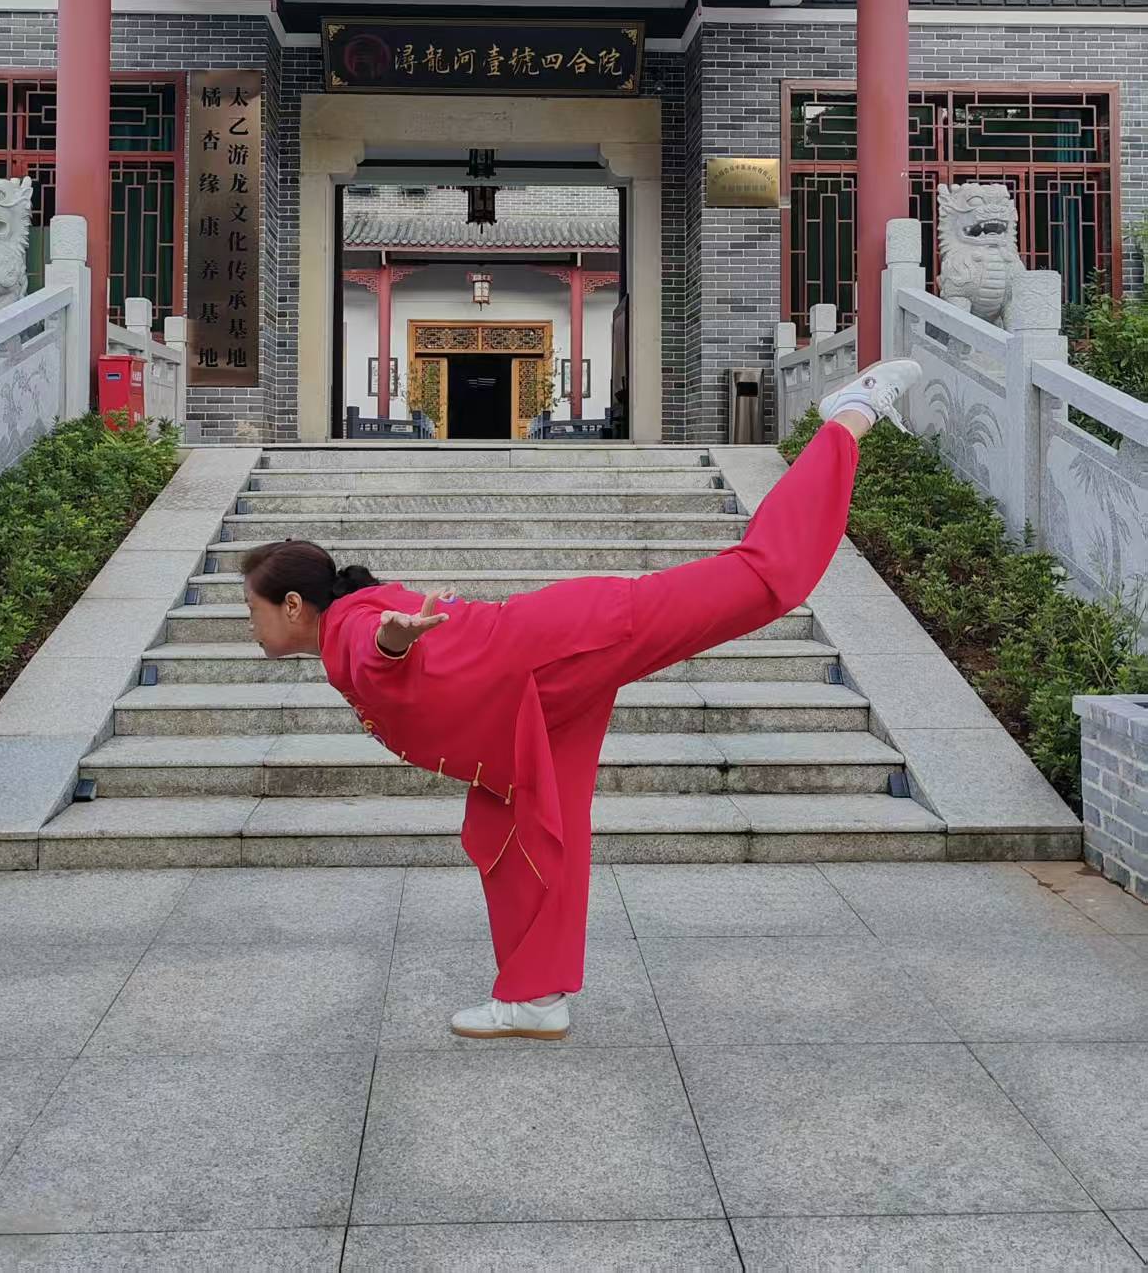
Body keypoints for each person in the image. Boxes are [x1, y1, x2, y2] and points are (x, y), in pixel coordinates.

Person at [242, 358, 921, 1041]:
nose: (251, 625)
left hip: (563, 650)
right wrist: (398, 633)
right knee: (514, 836)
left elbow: (376, 648)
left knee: (761, 579)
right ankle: (535, 998)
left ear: (293, 604)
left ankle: (848, 416)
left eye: (253, 609)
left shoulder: (349, 627)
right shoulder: (349, 613)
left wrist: (393, 641)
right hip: (524, 714)